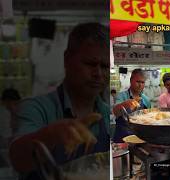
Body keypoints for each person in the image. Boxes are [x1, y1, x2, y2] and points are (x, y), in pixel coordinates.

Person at [9, 23, 109, 179]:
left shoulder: (108, 114)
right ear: (67, 60)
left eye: (105, 66)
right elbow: (18, 160)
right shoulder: (35, 109)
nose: (99, 73)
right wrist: (51, 134)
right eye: (90, 64)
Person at [112, 69, 151, 142]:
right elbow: (115, 111)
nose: (140, 85)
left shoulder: (146, 100)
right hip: (122, 137)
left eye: (142, 82)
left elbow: (148, 120)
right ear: (131, 80)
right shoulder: (121, 96)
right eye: (138, 81)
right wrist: (126, 103)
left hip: (140, 137)